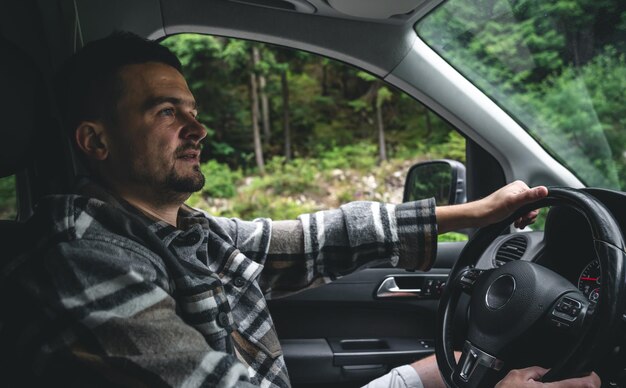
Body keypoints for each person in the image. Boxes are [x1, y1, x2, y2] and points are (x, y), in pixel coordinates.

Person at [0, 32, 598, 388]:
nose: (198, 128)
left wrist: (469, 214)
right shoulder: (81, 258)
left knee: (457, 366)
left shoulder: (176, 230)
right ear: (95, 141)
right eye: (165, 112)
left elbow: (304, 240)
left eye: (191, 109)